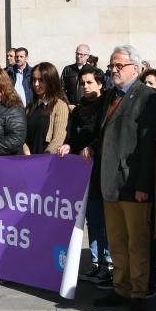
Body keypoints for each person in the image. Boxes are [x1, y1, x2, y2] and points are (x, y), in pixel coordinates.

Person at [88, 46, 156, 311]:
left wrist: (144, 185)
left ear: (135, 67)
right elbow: (106, 134)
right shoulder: (110, 95)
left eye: (118, 65)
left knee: (137, 242)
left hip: (133, 184)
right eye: (111, 65)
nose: (113, 70)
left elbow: (149, 146)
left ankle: (138, 292)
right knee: (117, 241)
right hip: (110, 182)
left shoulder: (149, 98)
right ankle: (120, 288)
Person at [58, 66, 111, 283]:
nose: (85, 87)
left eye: (90, 82)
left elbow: (104, 133)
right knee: (92, 218)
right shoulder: (79, 109)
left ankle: (108, 264)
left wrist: (92, 146)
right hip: (82, 169)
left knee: (103, 218)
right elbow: (72, 134)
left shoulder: (106, 105)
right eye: (82, 83)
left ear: (100, 84)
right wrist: (68, 145)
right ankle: (97, 262)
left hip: (101, 168)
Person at [24, 62, 69, 155]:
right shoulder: (30, 107)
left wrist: (43, 159)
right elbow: (22, 136)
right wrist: (26, 152)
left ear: (50, 81)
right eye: (34, 80)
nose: (36, 84)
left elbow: (58, 139)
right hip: (28, 161)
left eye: (41, 80)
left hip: (47, 161)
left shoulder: (60, 106)